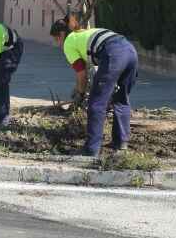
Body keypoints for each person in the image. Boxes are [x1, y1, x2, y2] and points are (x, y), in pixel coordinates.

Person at [50, 14, 138, 156]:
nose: (58, 43)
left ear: (62, 34)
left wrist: (80, 94)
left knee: (96, 103)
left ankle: (91, 149)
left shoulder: (69, 42)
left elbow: (82, 74)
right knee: (122, 98)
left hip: (113, 54)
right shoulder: (83, 33)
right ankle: (120, 143)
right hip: (130, 51)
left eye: (57, 39)